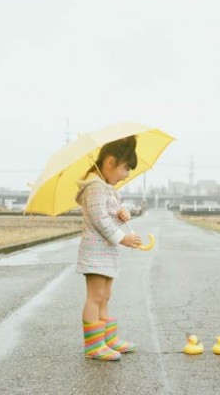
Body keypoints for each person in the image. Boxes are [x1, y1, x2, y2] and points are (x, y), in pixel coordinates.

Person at [75, 135, 142, 361]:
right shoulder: (94, 187)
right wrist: (123, 238)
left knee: (105, 296)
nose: (126, 176)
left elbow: (112, 215)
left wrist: (123, 215)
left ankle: (107, 339)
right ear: (111, 162)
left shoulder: (107, 188)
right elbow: (100, 220)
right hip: (95, 252)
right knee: (95, 297)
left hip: (107, 251)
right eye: (125, 169)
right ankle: (94, 346)